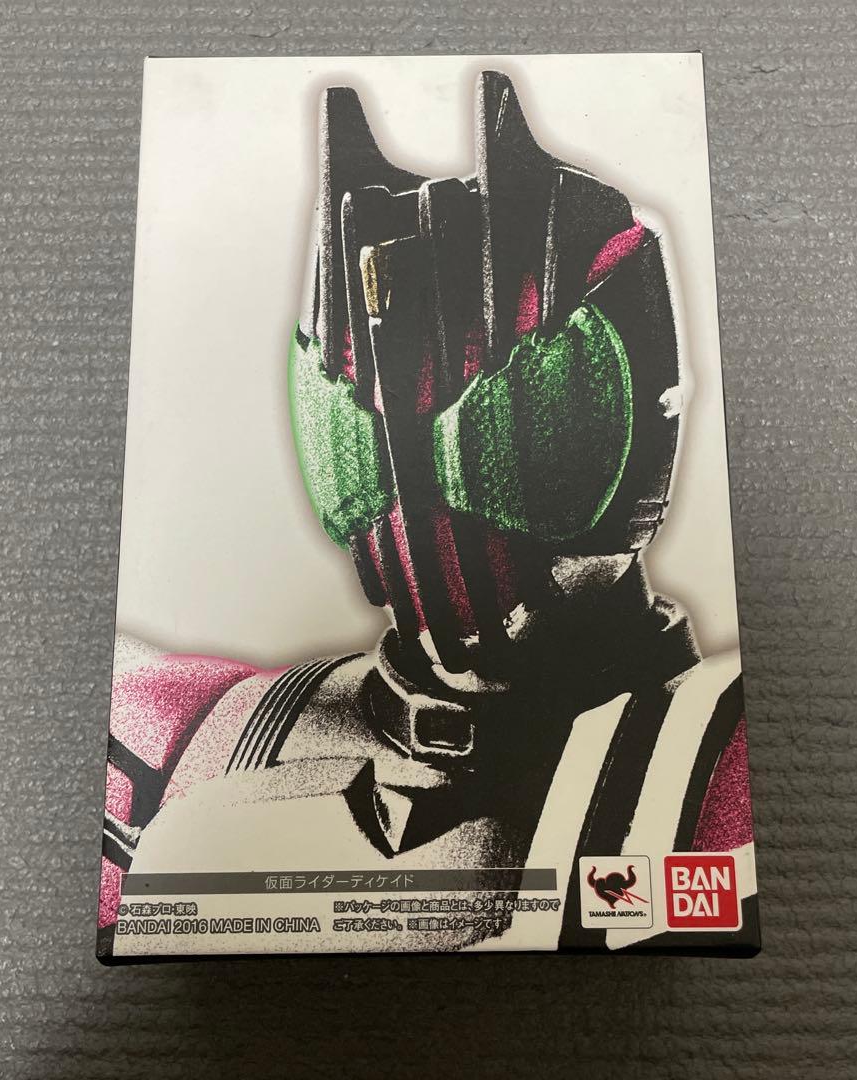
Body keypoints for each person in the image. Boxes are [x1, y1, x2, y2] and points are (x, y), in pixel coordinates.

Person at [97, 71, 755, 956]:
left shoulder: (723, 767)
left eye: (511, 419)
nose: (421, 469)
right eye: (376, 413)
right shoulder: (188, 736)